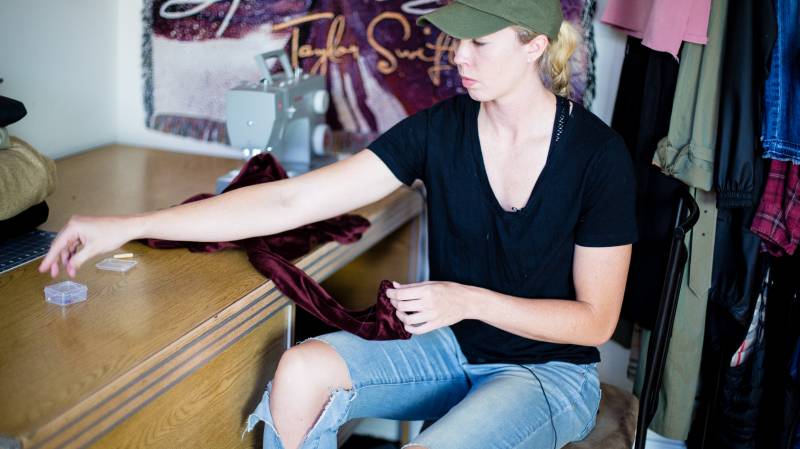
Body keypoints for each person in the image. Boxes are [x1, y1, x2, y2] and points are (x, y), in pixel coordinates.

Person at [39, 0, 638, 448]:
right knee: (301, 370)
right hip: (451, 349)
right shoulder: (441, 128)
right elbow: (289, 203)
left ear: (534, 47)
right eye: (458, 40)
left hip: (547, 374)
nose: (458, 56)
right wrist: (128, 224)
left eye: (480, 43)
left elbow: (595, 322)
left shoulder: (597, 157)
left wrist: (468, 300)